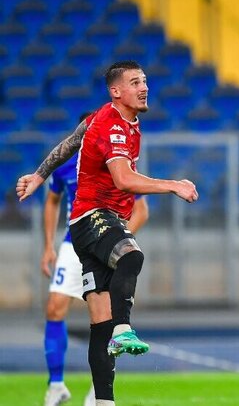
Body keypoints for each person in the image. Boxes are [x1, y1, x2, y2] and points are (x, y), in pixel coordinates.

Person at [17, 60, 198, 406]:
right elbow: (124, 180)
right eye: (135, 82)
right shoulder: (114, 126)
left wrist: (39, 175)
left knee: (99, 321)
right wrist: (173, 184)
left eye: (144, 81)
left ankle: (103, 401)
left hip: (89, 223)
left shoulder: (115, 121)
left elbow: (71, 141)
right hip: (93, 217)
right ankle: (123, 330)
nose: (144, 87)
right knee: (132, 255)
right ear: (116, 91)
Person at [42, 113, 150, 406]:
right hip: (71, 243)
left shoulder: (117, 164)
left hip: (103, 240)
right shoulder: (65, 168)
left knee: (103, 320)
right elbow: (52, 201)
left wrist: (116, 241)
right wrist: (48, 246)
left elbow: (141, 209)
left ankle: (99, 390)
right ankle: (56, 384)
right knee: (54, 307)